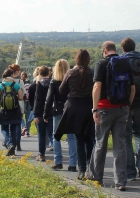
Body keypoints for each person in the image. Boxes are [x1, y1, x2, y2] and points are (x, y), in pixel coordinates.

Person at [85, 41, 135, 191]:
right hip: (121, 108)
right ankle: (120, 181)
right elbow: (133, 89)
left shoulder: (101, 63)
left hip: (104, 108)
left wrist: (94, 109)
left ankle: (97, 178)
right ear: (115, 50)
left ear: (104, 51)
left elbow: (97, 86)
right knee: (120, 145)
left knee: (101, 143)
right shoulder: (126, 63)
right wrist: (127, 106)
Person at [56, 49, 95, 181]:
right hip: (89, 107)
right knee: (90, 139)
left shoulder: (71, 72)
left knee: (79, 140)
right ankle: (90, 168)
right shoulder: (92, 72)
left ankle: (82, 170)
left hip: (74, 108)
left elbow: (61, 89)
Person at [120, 37, 140, 181]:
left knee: (127, 137)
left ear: (123, 49)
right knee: (139, 133)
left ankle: (130, 171)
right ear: (134, 47)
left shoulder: (121, 62)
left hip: (126, 104)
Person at [44, 59, 76, 171]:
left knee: (56, 137)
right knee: (71, 137)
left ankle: (58, 161)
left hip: (57, 110)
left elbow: (49, 99)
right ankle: (73, 163)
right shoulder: (72, 80)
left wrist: (45, 114)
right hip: (70, 110)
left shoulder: (54, 82)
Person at [0, 69, 24, 156]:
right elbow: (21, 98)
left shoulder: (1, 85)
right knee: (13, 129)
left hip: (4, 110)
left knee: (4, 128)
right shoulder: (16, 85)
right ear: (12, 75)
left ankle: (9, 144)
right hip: (15, 110)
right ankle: (13, 148)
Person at [33, 66, 53, 161]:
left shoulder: (39, 84)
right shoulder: (52, 83)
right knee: (52, 134)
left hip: (40, 113)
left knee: (41, 134)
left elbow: (38, 100)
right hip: (51, 112)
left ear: (39, 74)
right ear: (49, 73)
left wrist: (35, 114)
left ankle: (41, 154)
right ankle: (57, 155)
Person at [20, 72, 33, 137]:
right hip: (29, 101)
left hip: (23, 101)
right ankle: (28, 131)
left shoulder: (21, 83)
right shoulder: (30, 83)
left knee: (20, 115)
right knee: (28, 117)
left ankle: (23, 126)